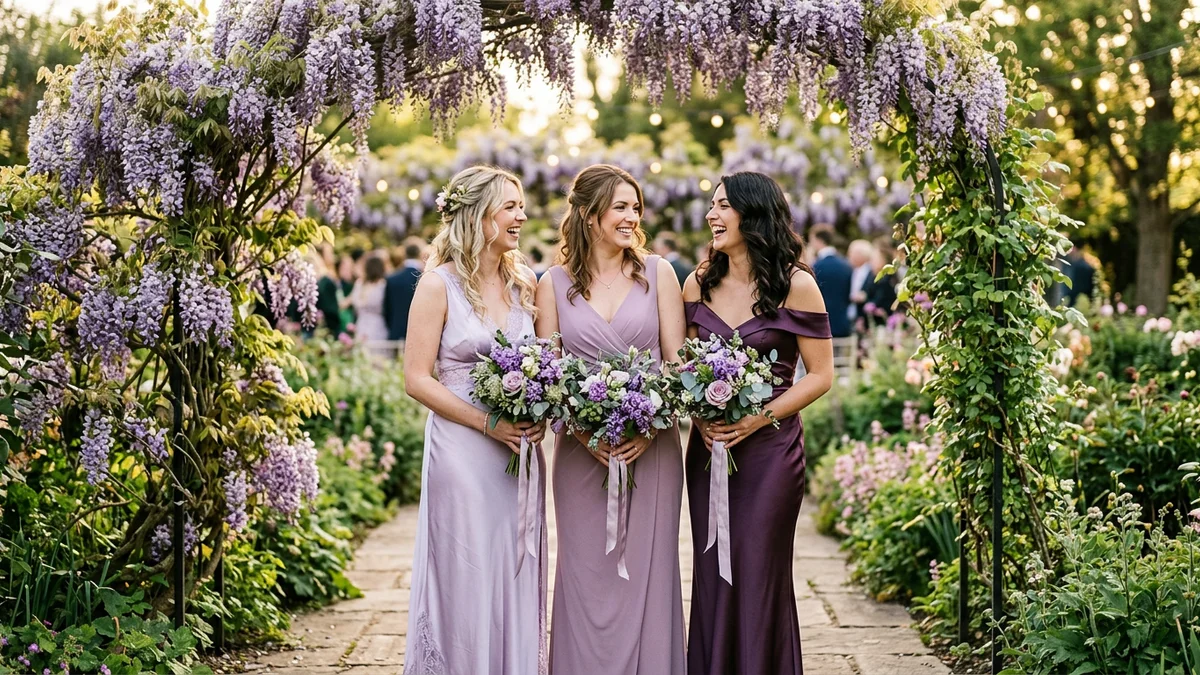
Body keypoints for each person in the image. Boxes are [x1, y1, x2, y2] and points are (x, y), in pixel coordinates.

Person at [534, 164, 687, 675]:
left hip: (654, 451)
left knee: (649, 572)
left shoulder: (660, 273)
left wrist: (650, 428)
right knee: (583, 574)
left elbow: (677, 365)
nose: (632, 217)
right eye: (620, 206)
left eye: (635, 207)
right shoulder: (551, 284)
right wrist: (583, 433)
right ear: (588, 214)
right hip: (581, 456)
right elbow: (548, 375)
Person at [683, 171, 834, 675]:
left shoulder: (796, 284)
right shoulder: (698, 282)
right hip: (708, 451)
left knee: (757, 570)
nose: (712, 214)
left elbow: (820, 376)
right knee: (712, 573)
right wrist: (699, 415)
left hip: (769, 451)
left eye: (724, 205)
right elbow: (682, 368)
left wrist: (758, 417)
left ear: (754, 213)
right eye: (711, 205)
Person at [402, 166, 548, 675]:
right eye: (510, 207)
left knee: (512, 565)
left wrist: (540, 414)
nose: (521, 216)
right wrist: (490, 426)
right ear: (477, 214)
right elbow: (418, 379)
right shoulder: (437, 285)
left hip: (520, 452)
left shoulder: (525, 282)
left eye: (520, 206)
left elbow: (547, 364)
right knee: (467, 568)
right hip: (462, 448)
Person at [808, 224, 853, 337]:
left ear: (819, 240)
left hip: (820, 324)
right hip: (842, 323)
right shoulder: (846, 265)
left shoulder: (815, 266)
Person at [382, 241, 425, 344]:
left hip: (395, 331)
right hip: (419, 334)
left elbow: (386, 309)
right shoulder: (424, 278)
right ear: (419, 254)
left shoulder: (392, 279)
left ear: (405, 254)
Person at [349, 253, 390, 355]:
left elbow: (355, 303)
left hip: (364, 323)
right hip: (376, 323)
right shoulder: (382, 285)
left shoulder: (360, 284)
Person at [847, 239, 875, 328]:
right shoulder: (853, 271)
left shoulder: (872, 272)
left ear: (860, 254)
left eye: (851, 252)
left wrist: (864, 297)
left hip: (866, 317)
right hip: (853, 315)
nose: (849, 255)